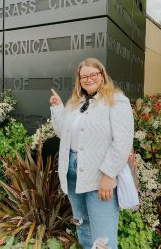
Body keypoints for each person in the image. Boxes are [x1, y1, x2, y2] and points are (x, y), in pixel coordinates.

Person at [50, 57, 134, 249]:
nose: (88, 79)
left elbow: (123, 141)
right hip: (72, 171)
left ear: (102, 75)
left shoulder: (116, 100)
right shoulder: (76, 103)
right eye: (83, 76)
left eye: (93, 74)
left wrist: (109, 174)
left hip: (100, 172)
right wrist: (57, 108)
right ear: (79, 80)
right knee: (83, 224)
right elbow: (64, 133)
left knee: (103, 234)